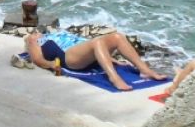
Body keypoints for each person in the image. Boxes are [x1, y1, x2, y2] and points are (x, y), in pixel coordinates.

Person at [24, 30, 168, 91]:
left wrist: (111, 59)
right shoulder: (33, 39)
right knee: (97, 42)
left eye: (38, 32)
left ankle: (145, 70)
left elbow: (83, 46)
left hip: (87, 56)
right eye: (35, 32)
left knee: (117, 37)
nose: (37, 32)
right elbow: (37, 59)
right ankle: (114, 78)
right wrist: (54, 66)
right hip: (69, 58)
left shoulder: (55, 34)